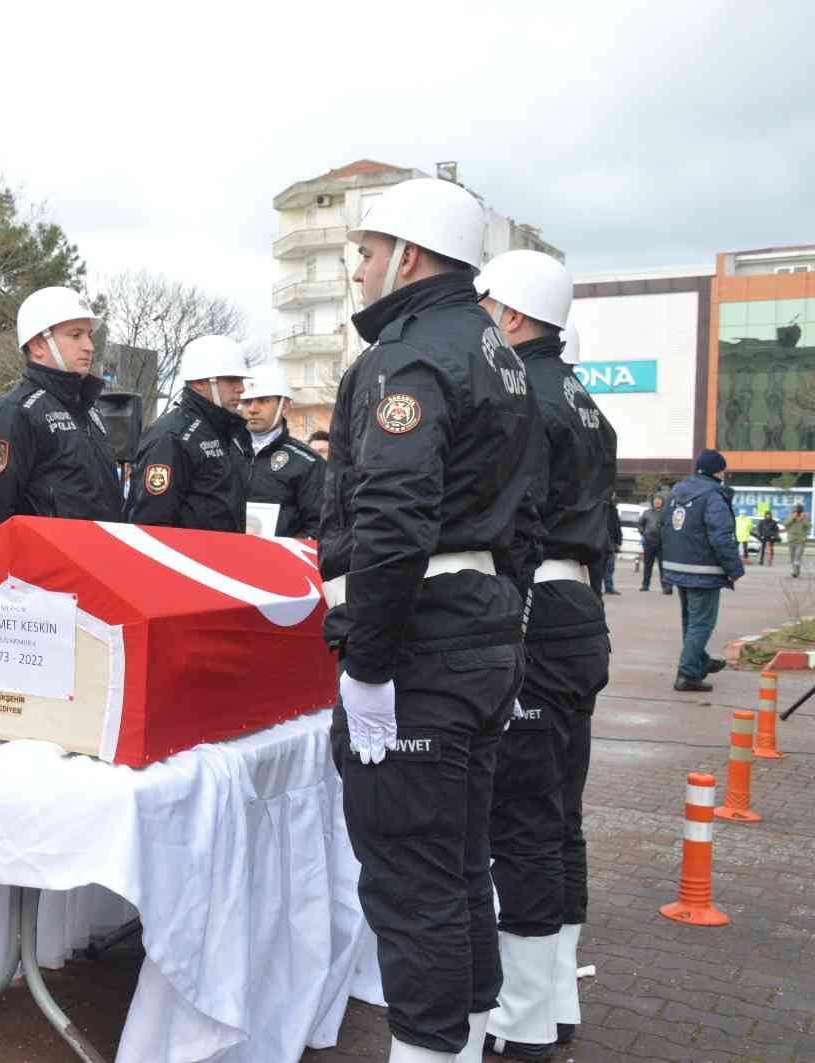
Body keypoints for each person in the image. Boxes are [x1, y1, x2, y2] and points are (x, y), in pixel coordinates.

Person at [321, 177, 535, 1061]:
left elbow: (397, 516)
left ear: (408, 256)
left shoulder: (411, 356)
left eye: (368, 254)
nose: (361, 272)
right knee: (456, 868)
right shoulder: (498, 351)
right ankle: (471, 1037)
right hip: (480, 635)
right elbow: (527, 508)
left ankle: (434, 1048)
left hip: (423, 647)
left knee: (415, 882)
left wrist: (370, 663)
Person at [475, 253, 616, 1059]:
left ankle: (522, 1012)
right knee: (560, 815)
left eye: (487, 307)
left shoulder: (524, 393)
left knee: (523, 815)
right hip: (579, 607)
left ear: (516, 317)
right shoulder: (584, 400)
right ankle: (554, 994)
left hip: (534, 603)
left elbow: (512, 515)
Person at [0, 287, 123, 547]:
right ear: (37, 345)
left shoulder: (91, 411)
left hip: (97, 571)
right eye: (76, 335)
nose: (89, 346)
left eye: (89, 336)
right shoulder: (14, 414)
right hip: (41, 583)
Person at [125, 335, 251, 530]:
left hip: (222, 558)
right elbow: (152, 524)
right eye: (231, 379)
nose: (241, 388)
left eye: (241, 379)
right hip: (186, 559)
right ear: (200, 382)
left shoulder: (229, 434)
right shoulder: (171, 437)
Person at [660, 450, 743, 693]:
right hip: (703, 570)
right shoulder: (713, 495)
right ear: (717, 471)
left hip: (678, 567)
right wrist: (733, 569)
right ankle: (687, 674)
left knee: (691, 622)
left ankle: (699, 664)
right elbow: (722, 537)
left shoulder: (677, 492)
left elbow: (666, 527)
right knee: (702, 624)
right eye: (723, 470)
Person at [239, 364, 323, 537]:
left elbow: (319, 525)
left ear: (284, 406)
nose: (253, 409)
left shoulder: (308, 463)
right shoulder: (222, 452)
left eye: (263, 400)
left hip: (278, 561)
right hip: (220, 558)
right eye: (247, 401)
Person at [638, 494, 670, 593]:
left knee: (663, 566)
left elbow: (669, 527)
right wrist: (644, 533)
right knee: (648, 565)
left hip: (662, 543)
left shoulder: (666, 513)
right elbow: (640, 525)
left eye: (659, 500)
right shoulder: (647, 513)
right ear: (653, 502)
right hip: (648, 542)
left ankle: (665, 587)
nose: (657, 502)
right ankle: (645, 585)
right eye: (656, 500)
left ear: (663, 502)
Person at [602, 497, 622, 594]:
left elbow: (617, 525)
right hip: (599, 540)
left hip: (611, 541)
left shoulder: (612, 508)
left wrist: (618, 541)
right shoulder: (598, 506)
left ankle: (609, 587)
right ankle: (597, 588)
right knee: (599, 566)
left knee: (610, 566)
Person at [788, 504, 809, 578]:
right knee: (792, 558)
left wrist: (803, 519)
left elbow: (808, 526)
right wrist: (793, 518)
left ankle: (795, 572)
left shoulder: (805, 517)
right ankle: (796, 570)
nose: (798, 512)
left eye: (799, 510)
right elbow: (786, 524)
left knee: (797, 556)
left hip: (800, 541)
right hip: (791, 540)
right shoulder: (791, 516)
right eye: (797, 510)